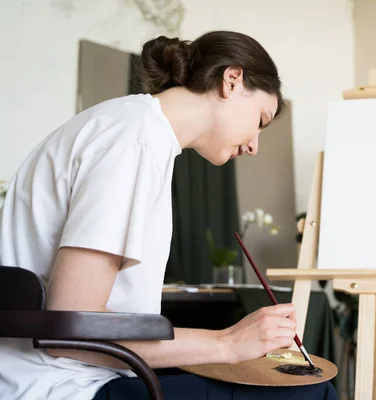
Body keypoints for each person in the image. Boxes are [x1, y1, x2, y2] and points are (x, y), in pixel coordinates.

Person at [0, 31, 337, 400]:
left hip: (80, 372)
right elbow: (73, 327)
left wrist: (229, 346)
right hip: (64, 386)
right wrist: (227, 344)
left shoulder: (130, 127)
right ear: (232, 80)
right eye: (260, 119)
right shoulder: (135, 138)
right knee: (311, 393)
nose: (255, 145)